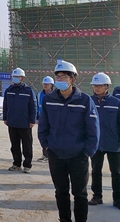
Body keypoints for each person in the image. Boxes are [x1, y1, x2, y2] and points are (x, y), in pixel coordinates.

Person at [38, 60, 99, 222]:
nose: (60, 79)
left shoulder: (84, 100)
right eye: (57, 76)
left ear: (73, 79)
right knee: (61, 192)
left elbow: (93, 129)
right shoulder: (49, 99)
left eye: (64, 76)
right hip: (56, 154)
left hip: (78, 155)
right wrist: (46, 146)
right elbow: (43, 125)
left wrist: (87, 151)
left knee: (80, 193)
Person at [88, 73, 120, 209]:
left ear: (107, 86)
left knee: (117, 172)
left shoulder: (116, 103)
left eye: (100, 85)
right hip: (96, 143)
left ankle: (118, 199)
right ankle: (97, 196)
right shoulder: (89, 101)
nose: (96, 88)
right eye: (95, 85)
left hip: (114, 143)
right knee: (96, 170)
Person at [3, 68, 37, 173]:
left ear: (22, 78)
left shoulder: (28, 91)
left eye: (17, 77)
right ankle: (16, 163)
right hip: (12, 122)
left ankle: (27, 165)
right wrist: (5, 117)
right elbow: (5, 105)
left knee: (27, 145)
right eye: (14, 77)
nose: (15, 79)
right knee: (14, 145)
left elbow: (33, 106)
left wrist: (32, 120)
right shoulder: (9, 90)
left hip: (25, 123)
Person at [37, 76, 55, 162]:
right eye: (44, 84)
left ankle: (50, 155)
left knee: (51, 137)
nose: (45, 85)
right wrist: (37, 117)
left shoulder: (55, 95)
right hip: (42, 119)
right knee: (43, 136)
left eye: (47, 84)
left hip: (52, 119)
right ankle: (45, 154)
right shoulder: (39, 94)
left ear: (51, 85)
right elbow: (37, 106)